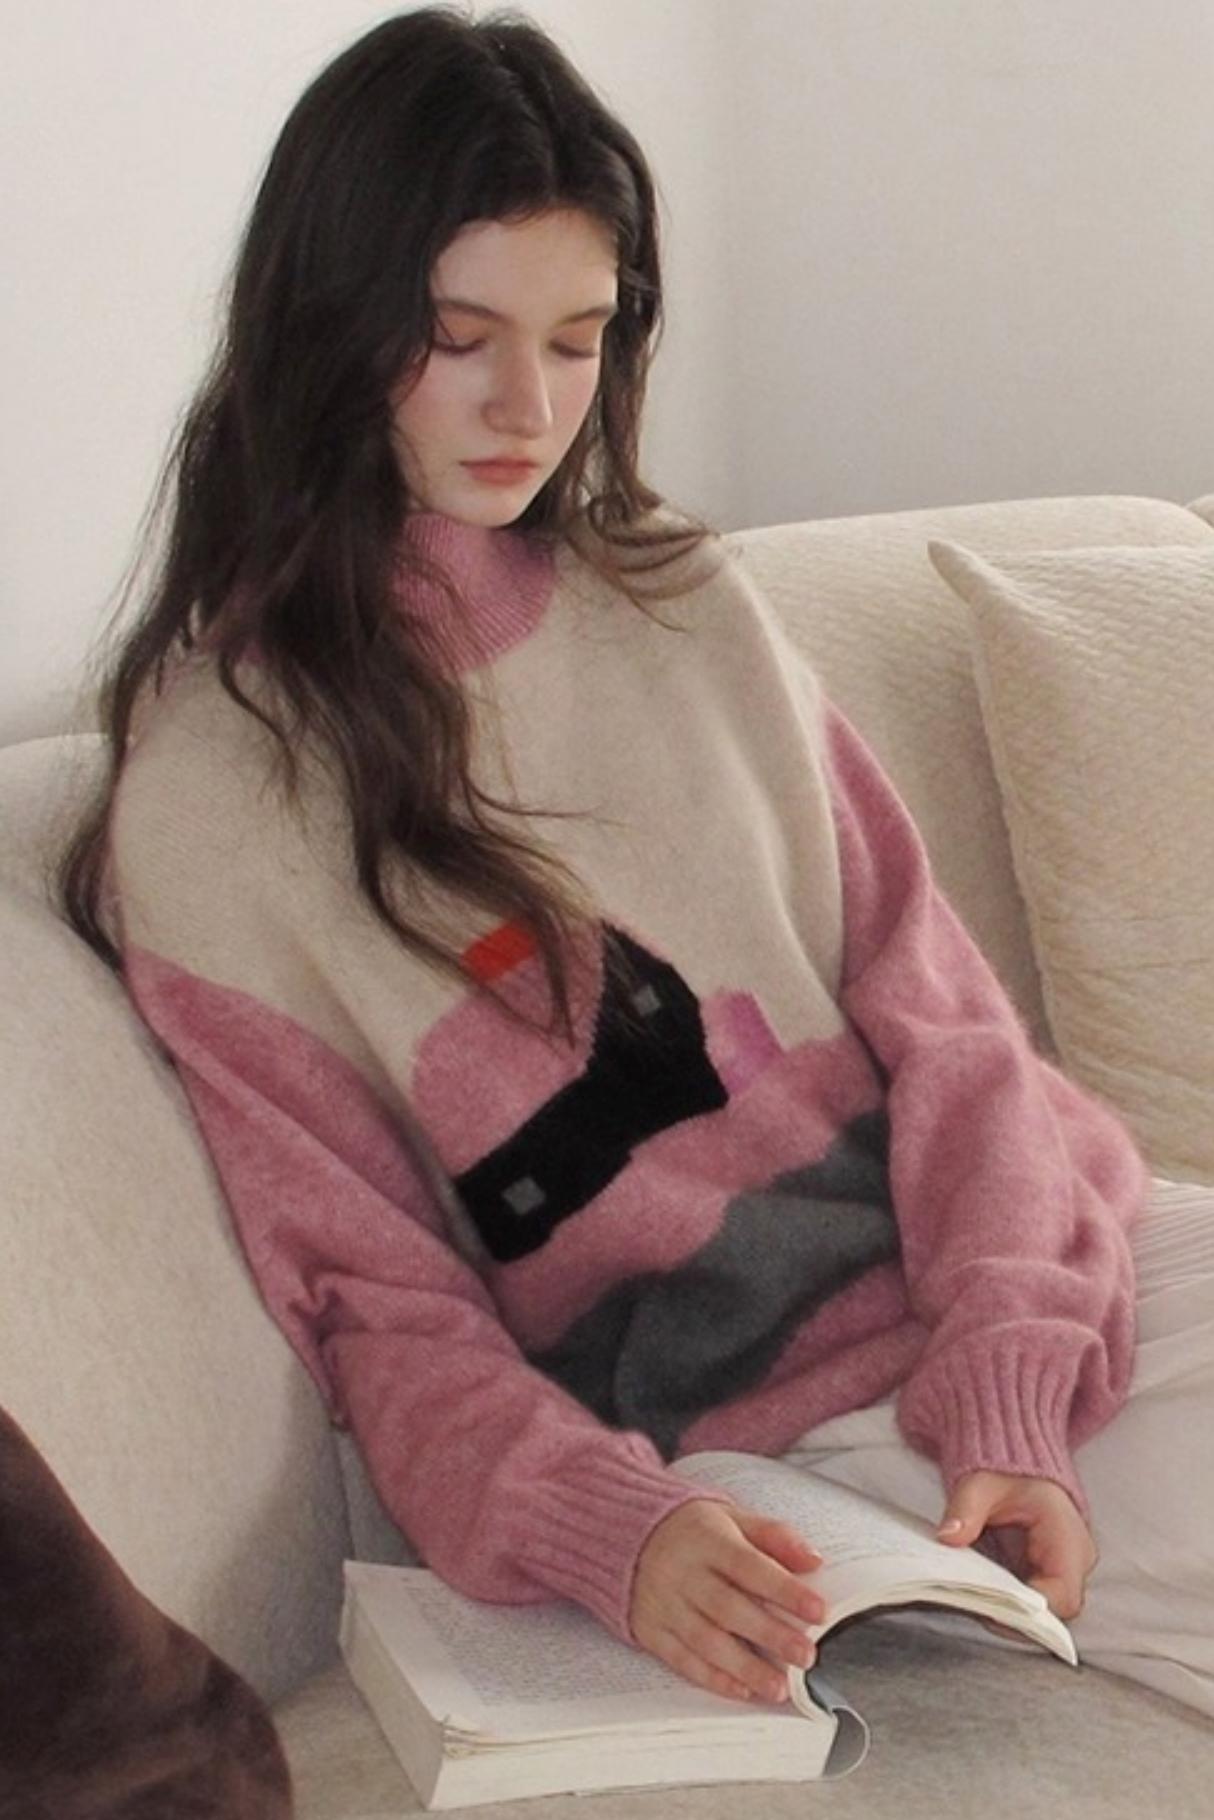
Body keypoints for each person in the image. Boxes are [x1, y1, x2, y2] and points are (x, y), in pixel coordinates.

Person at [60, 6, 1209, 1719]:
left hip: (1049, 1274)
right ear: (330, 327)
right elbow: (377, 1306)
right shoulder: (218, 804)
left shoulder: (679, 606)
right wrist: (603, 1525)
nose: (530, 407)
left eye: (579, 339)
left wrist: (1005, 1363)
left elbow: (952, 1029)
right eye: (459, 339)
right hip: (804, 1432)